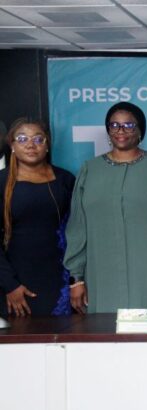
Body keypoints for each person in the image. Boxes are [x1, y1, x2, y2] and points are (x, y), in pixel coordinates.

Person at [64, 102, 147, 313]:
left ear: (140, 131)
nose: (121, 130)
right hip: (101, 276)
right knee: (105, 330)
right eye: (114, 125)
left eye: (129, 125)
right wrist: (76, 278)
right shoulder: (90, 169)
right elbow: (78, 227)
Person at [0, 118, 75, 316]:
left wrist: (76, 281)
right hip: (16, 284)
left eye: (38, 139)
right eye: (22, 139)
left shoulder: (65, 180)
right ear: (12, 145)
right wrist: (10, 285)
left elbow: (78, 232)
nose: (30, 145)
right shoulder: (1, 182)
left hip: (60, 280)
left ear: (47, 145)